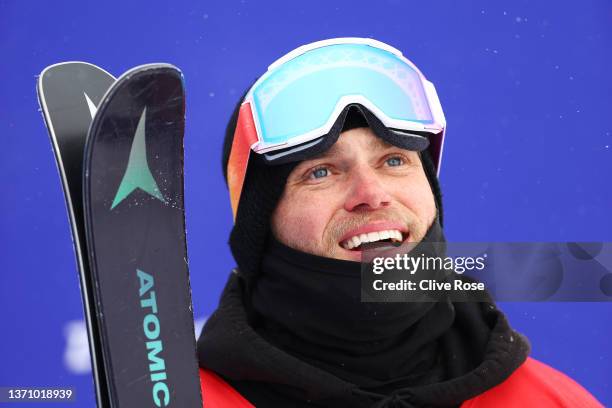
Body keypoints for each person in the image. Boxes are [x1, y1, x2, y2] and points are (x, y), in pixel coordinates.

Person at [196, 38, 602, 407]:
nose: (371, 194)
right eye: (321, 172)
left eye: (394, 160)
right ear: (260, 227)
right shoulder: (185, 398)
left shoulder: (553, 401)